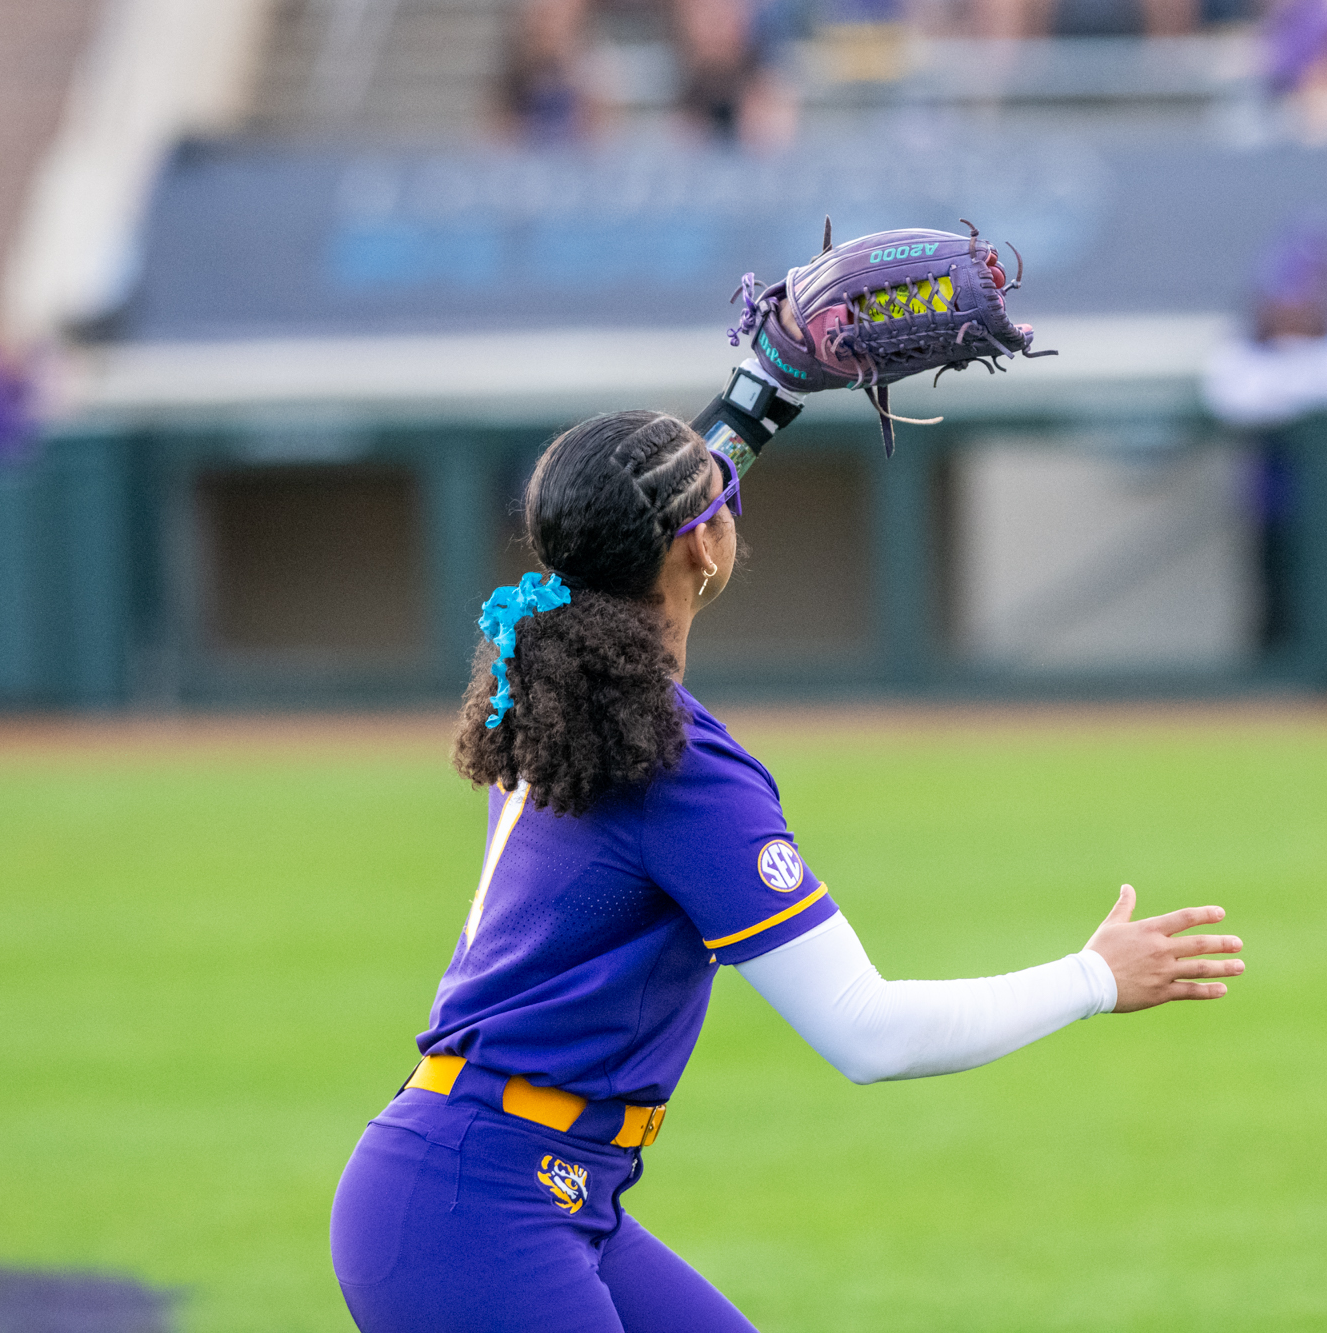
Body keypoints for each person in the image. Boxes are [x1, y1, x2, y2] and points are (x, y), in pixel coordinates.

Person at [328, 304, 1248, 1331]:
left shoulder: (550, 654)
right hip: (475, 1212)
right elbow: (867, 1034)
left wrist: (760, 390)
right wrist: (1091, 978)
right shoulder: (674, 764)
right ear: (703, 550)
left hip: (499, 1182)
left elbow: (649, 514)